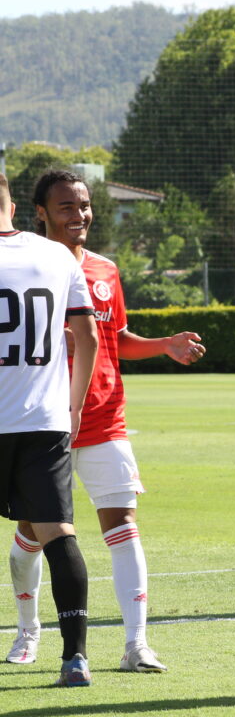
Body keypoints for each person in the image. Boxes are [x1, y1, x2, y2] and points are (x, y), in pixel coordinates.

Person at [7, 170, 205, 674]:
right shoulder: (30, 265)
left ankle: (136, 645)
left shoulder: (105, 271)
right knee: (33, 533)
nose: (81, 215)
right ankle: (28, 630)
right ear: (40, 214)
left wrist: (163, 345)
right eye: (67, 207)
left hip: (102, 418)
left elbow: (113, 338)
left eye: (85, 205)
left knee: (123, 525)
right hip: (43, 422)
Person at [0, 171, 99, 686]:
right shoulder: (57, 257)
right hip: (44, 421)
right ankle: (75, 659)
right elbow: (88, 336)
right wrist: (73, 406)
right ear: (14, 205)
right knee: (60, 536)